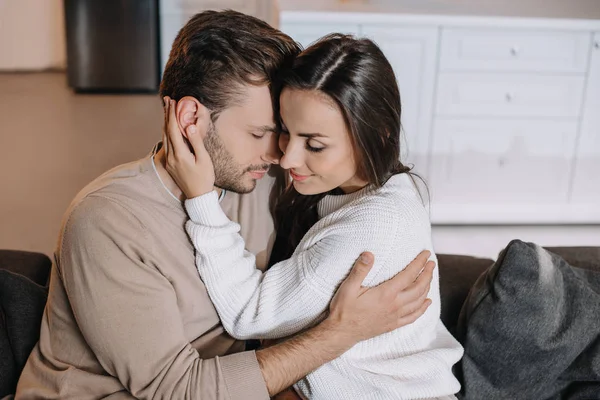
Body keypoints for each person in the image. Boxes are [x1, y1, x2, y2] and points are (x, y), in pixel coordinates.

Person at [15, 11, 435, 400]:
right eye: (262, 133)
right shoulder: (108, 221)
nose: (281, 156)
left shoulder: (263, 181)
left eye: (285, 131)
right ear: (190, 120)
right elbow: (178, 391)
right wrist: (342, 333)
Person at [162, 34, 464, 399]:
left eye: (315, 145)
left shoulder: (367, 231)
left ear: (378, 135)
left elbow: (246, 312)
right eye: (286, 132)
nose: (287, 159)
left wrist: (201, 198)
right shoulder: (398, 187)